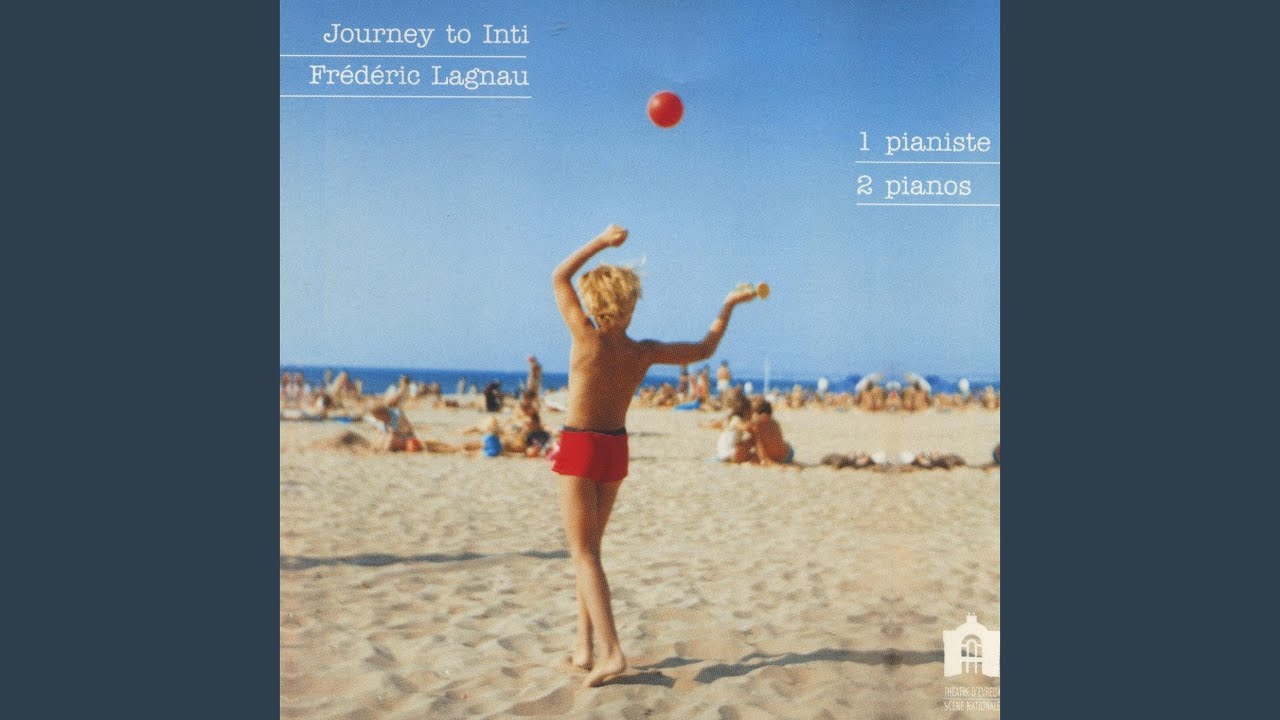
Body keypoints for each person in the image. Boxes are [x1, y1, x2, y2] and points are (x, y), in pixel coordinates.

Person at [550, 224, 757, 687]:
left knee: (583, 553)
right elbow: (704, 348)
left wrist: (602, 242)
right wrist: (727, 305)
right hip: (615, 447)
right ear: (629, 303)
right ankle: (584, 647)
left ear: (595, 302)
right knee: (591, 551)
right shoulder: (642, 352)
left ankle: (610, 652)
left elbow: (559, 276)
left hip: (581, 443)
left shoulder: (586, 336)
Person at [749, 399, 794, 465]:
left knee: (754, 443)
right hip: (788, 455)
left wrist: (763, 460)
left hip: (776, 458)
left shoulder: (755, 426)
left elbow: (759, 447)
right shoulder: (774, 422)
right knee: (783, 444)